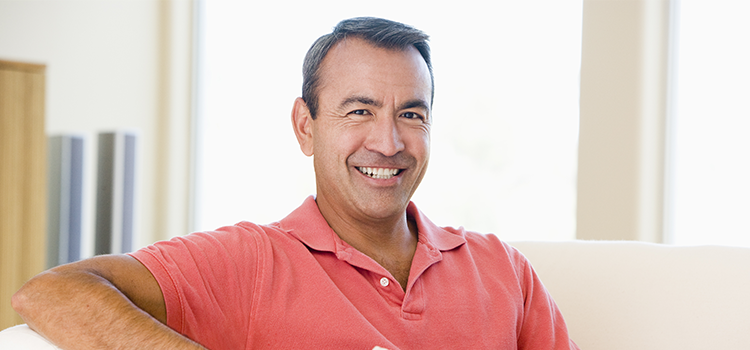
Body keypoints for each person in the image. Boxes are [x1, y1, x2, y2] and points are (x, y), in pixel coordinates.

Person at [12, 17, 579, 349]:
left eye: (411, 114)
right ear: (305, 127)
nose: (388, 142)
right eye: (359, 112)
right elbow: (48, 294)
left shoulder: (501, 268)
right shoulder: (251, 261)